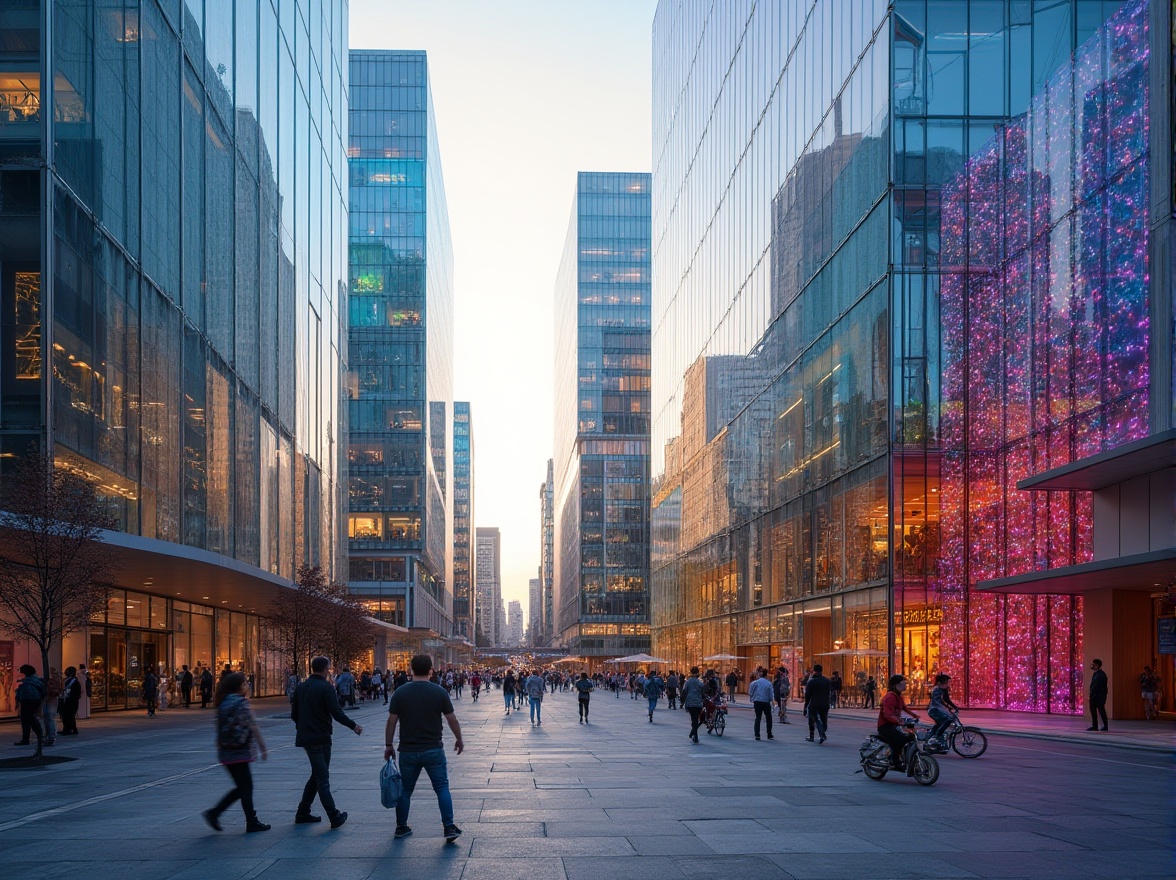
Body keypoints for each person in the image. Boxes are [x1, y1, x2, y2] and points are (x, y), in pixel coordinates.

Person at [384, 654, 464, 843]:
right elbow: (452, 719)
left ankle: (401, 827)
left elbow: (391, 721)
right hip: (433, 749)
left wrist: (388, 745)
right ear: (431, 670)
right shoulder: (439, 692)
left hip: (408, 750)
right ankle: (449, 827)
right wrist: (459, 739)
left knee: (406, 790)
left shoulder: (400, 692)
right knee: (442, 788)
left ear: (411, 669)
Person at [290, 656, 364, 828]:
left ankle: (303, 812)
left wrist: (303, 727)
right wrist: (353, 726)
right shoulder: (326, 687)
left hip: (306, 737)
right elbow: (336, 712)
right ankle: (334, 815)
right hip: (321, 738)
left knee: (317, 775)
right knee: (322, 777)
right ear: (325, 669)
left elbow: (295, 714)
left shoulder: (301, 687)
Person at [203, 671, 271, 833]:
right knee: (245, 786)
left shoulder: (222, 702)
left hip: (226, 750)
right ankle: (249, 821)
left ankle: (216, 813)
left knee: (242, 787)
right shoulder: (242, 703)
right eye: (245, 683)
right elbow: (253, 725)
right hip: (240, 750)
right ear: (239, 686)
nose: (247, 686)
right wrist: (263, 747)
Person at [877, 674, 919, 770]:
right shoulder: (890, 697)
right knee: (900, 740)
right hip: (885, 726)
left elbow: (904, 707)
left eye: (905, 684)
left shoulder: (898, 696)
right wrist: (898, 721)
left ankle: (903, 757)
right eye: (903, 684)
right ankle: (894, 761)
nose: (905, 686)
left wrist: (914, 715)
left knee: (910, 738)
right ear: (895, 685)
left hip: (893, 725)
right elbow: (888, 715)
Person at [13, 664, 45, 748]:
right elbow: (43, 692)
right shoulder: (37, 680)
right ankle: (38, 736)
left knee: (27, 720)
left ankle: (28, 738)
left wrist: (17, 701)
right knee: (31, 718)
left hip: (27, 701)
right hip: (35, 701)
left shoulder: (25, 681)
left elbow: (21, 693)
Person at [927, 673, 960, 750]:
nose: (947, 684)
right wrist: (947, 709)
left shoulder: (943, 689)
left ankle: (933, 737)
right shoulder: (936, 690)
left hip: (939, 709)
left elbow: (946, 700)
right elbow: (938, 702)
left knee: (940, 723)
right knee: (947, 719)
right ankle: (937, 737)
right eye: (946, 682)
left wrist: (954, 707)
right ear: (939, 683)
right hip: (934, 710)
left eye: (948, 682)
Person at [803, 663, 831, 743]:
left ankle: (815, 735)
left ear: (814, 671)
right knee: (824, 719)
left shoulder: (811, 681)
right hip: (825, 703)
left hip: (814, 703)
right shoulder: (827, 680)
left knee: (814, 719)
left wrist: (805, 706)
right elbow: (829, 692)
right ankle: (823, 731)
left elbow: (807, 695)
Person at [681, 666, 705, 743]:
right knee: (696, 719)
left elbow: (684, 691)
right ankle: (694, 734)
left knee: (693, 719)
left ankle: (694, 733)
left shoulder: (687, 682)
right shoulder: (699, 682)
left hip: (690, 703)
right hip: (698, 703)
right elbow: (704, 689)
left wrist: (682, 702)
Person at [748, 669, 774, 740]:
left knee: (758, 717)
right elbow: (771, 695)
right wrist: (772, 701)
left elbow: (750, 692)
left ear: (759, 674)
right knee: (768, 717)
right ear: (766, 675)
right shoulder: (769, 683)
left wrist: (753, 698)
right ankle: (769, 734)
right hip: (766, 701)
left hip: (757, 701)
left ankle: (757, 734)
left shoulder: (754, 683)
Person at [59, 667, 82, 736]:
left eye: (67, 671)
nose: (66, 672)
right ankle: (72, 729)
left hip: (71, 701)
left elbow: (77, 692)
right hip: (69, 700)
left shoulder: (74, 681)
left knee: (68, 716)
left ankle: (68, 730)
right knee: (69, 716)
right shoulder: (70, 680)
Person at [1087, 658, 1108, 732]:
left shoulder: (1101, 675)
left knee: (1101, 710)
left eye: (1094, 665)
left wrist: (1095, 694)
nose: (1092, 666)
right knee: (1093, 711)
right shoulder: (1096, 674)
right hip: (1094, 696)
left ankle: (1105, 726)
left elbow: (1098, 686)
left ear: (1098, 666)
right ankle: (1095, 726)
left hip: (1099, 696)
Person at [43, 667, 62, 746]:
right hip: (53, 698)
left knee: (48, 717)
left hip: (48, 698)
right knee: (50, 717)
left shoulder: (49, 678)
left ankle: (50, 736)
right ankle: (51, 736)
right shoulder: (57, 677)